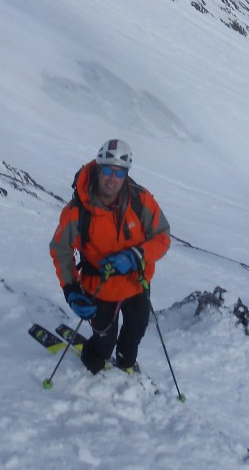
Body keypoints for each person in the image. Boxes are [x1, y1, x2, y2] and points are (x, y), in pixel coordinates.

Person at [49, 138, 171, 374]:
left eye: (119, 172)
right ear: (97, 168)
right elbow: (61, 250)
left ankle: (126, 363)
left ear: (126, 174)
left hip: (136, 284)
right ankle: (94, 359)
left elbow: (162, 237)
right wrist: (71, 290)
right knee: (104, 342)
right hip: (99, 288)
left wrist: (137, 255)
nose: (112, 178)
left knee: (135, 331)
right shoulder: (77, 212)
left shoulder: (140, 201)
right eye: (107, 170)